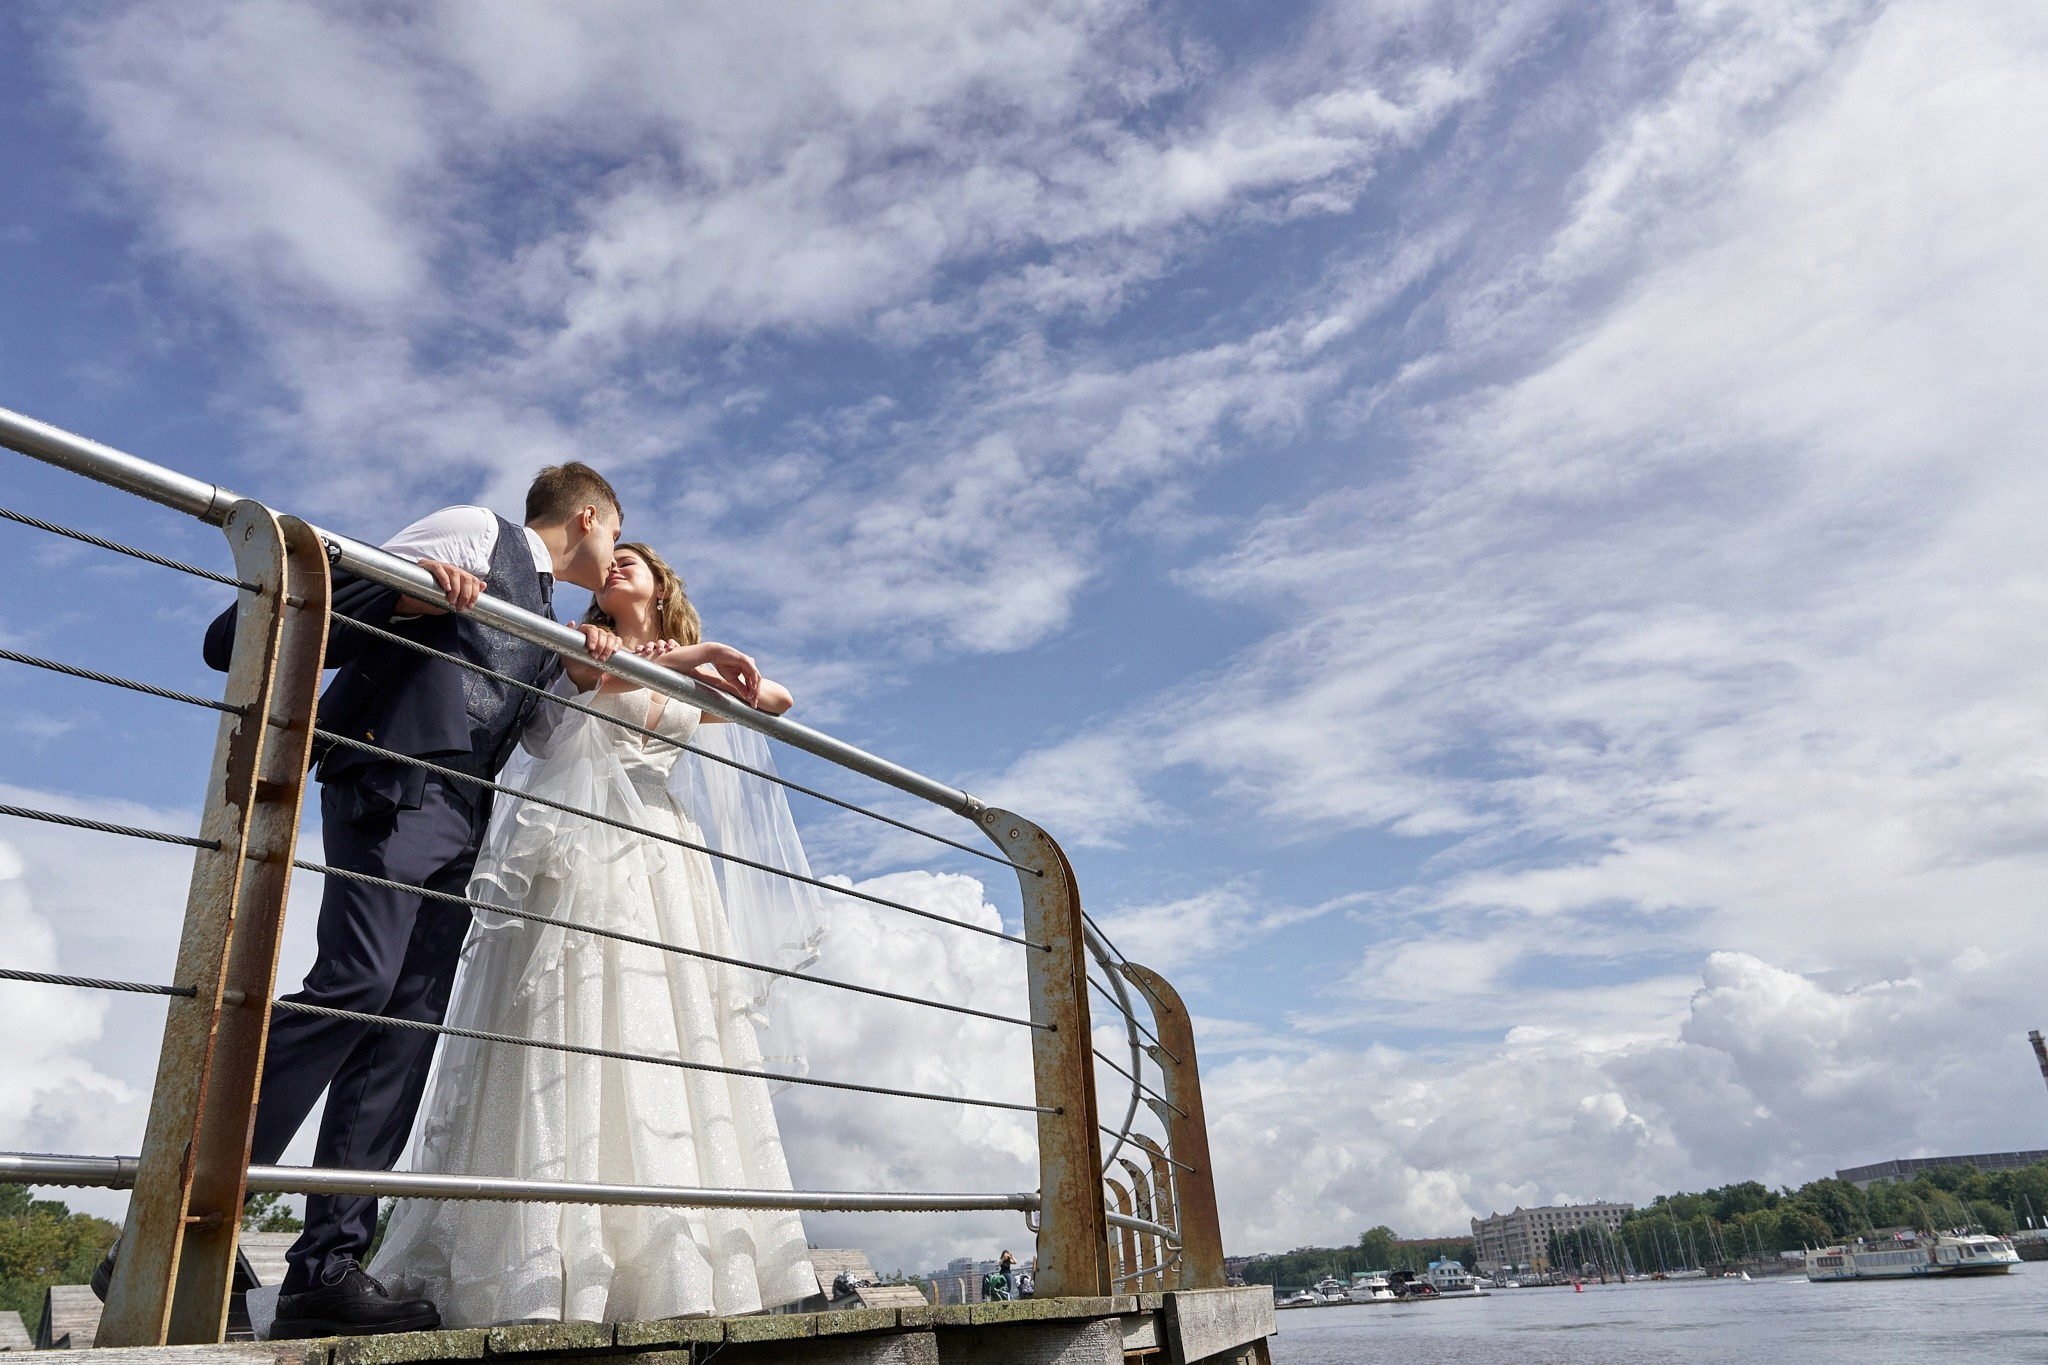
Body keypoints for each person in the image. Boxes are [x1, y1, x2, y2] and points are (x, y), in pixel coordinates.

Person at [194, 468, 758, 1339]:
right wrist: (413, 598)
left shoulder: (547, 618)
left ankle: (326, 1265)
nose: (613, 556)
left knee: (406, 1025)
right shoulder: (472, 531)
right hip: (394, 775)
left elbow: (551, 732)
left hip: (465, 809)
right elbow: (292, 616)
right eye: (617, 536)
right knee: (356, 985)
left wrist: (621, 666)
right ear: (592, 518)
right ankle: (191, 1209)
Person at [369, 543, 821, 1325]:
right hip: (586, 849)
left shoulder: (670, 659)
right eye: (611, 559)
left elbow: (775, 699)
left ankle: (680, 1257)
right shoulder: (586, 643)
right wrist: (706, 653)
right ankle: (549, 1258)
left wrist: (700, 663)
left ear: (661, 585)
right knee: (570, 1017)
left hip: (666, 851)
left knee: (666, 1031)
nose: (616, 566)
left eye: (633, 562)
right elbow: (596, 680)